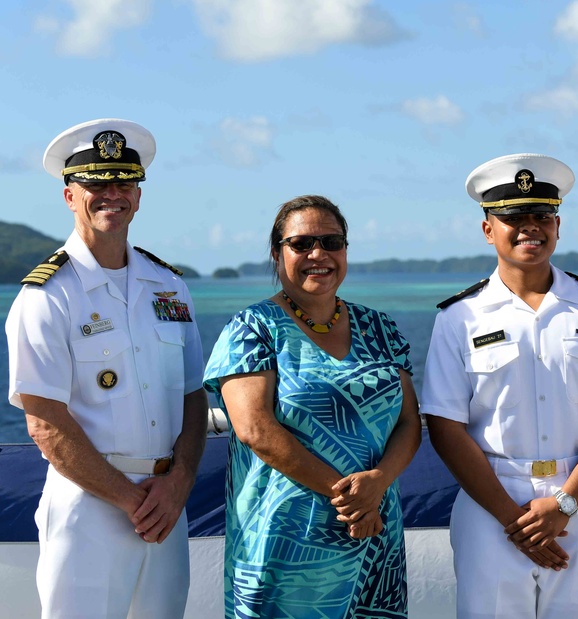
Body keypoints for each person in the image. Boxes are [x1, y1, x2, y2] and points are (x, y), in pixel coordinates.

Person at [420, 154, 578, 618]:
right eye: (513, 218)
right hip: (490, 506)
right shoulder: (459, 318)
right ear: (488, 230)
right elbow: (444, 425)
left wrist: (563, 504)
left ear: (558, 226)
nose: (530, 228)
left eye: (541, 216)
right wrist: (513, 520)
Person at [5, 119, 207, 619]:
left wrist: (179, 481)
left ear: (138, 196)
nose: (111, 195)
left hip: (165, 503)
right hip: (90, 508)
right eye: (97, 183)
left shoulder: (168, 287)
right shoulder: (46, 297)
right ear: (70, 195)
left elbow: (192, 395)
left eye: (123, 183)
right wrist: (128, 499)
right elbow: (45, 422)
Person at [203, 194, 421, 618]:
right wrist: (353, 501)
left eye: (331, 242)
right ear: (277, 253)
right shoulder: (251, 329)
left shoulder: (380, 328)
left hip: (374, 536)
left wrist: (378, 483)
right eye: (301, 244)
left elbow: (409, 421)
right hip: (286, 543)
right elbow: (255, 430)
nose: (317, 254)